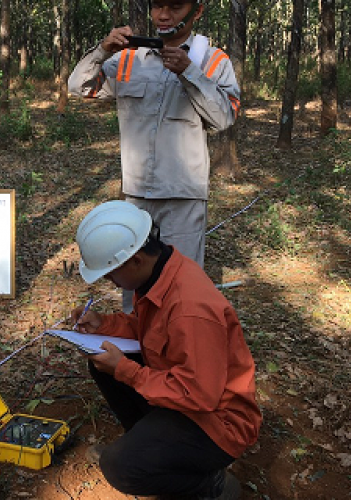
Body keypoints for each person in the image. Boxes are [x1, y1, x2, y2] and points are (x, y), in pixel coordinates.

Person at [70, 201, 261, 499]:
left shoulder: (190, 309)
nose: (109, 281)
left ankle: (210, 486)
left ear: (135, 260)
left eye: (110, 273)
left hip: (218, 423)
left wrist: (126, 370)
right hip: (187, 395)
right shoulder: (161, 271)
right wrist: (103, 324)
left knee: (119, 467)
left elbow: (199, 394)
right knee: (101, 362)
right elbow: (148, 329)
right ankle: (151, 447)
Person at [68, 0, 241, 312]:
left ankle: (180, 357)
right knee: (133, 289)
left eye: (175, 7)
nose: (163, 15)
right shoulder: (127, 59)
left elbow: (225, 118)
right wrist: (102, 50)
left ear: (197, 11)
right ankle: (135, 354)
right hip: (135, 198)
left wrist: (190, 73)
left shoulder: (213, 61)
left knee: (183, 290)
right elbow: (79, 86)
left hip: (182, 198)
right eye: (157, 6)